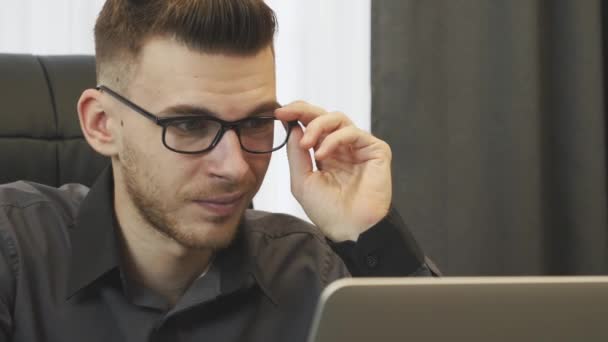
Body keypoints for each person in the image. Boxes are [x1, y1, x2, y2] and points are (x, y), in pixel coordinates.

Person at [0, 0, 436, 341]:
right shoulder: (13, 253)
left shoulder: (312, 272)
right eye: (189, 125)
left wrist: (368, 234)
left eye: (255, 123)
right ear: (101, 124)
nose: (235, 167)